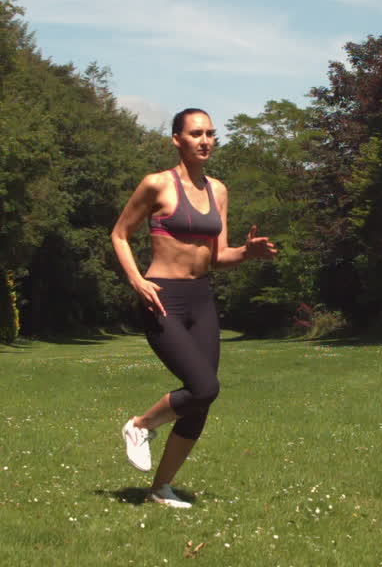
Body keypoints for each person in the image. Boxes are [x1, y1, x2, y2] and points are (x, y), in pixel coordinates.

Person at [110, 108, 277, 508]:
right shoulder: (156, 184)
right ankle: (140, 425)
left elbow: (217, 257)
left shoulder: (218, 190)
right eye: (196, 133)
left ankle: (160, 488)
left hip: (201, 299)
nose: (205, 141)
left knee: (201, 401)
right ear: (177, 139)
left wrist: (247, 253)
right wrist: (136, 280)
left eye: (210, 134)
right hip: (162, 297)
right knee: (204, 387)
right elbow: (119, 234)